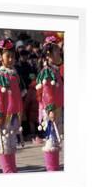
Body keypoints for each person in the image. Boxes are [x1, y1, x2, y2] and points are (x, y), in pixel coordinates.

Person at [0, 38, 24, 173]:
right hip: (4, 115)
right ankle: (7, 169)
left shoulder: (14, 75)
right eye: (7, 56)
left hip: (14, 114)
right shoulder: (0, 76)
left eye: (12, 56)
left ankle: (12, 169)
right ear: (0, 58)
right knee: (5, 143)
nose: (11, 59)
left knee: (12, 142)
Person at [36, 35, 64, 171]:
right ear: (49, 54)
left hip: (57, 109)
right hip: (51, 111)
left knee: (55, 142)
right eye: (57, 50)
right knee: (51, 141)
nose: (60, 52)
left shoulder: (54, 70)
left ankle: (54, 168)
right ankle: (52, 169)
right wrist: (51, 109)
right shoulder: (47, 72)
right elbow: (47, 93)